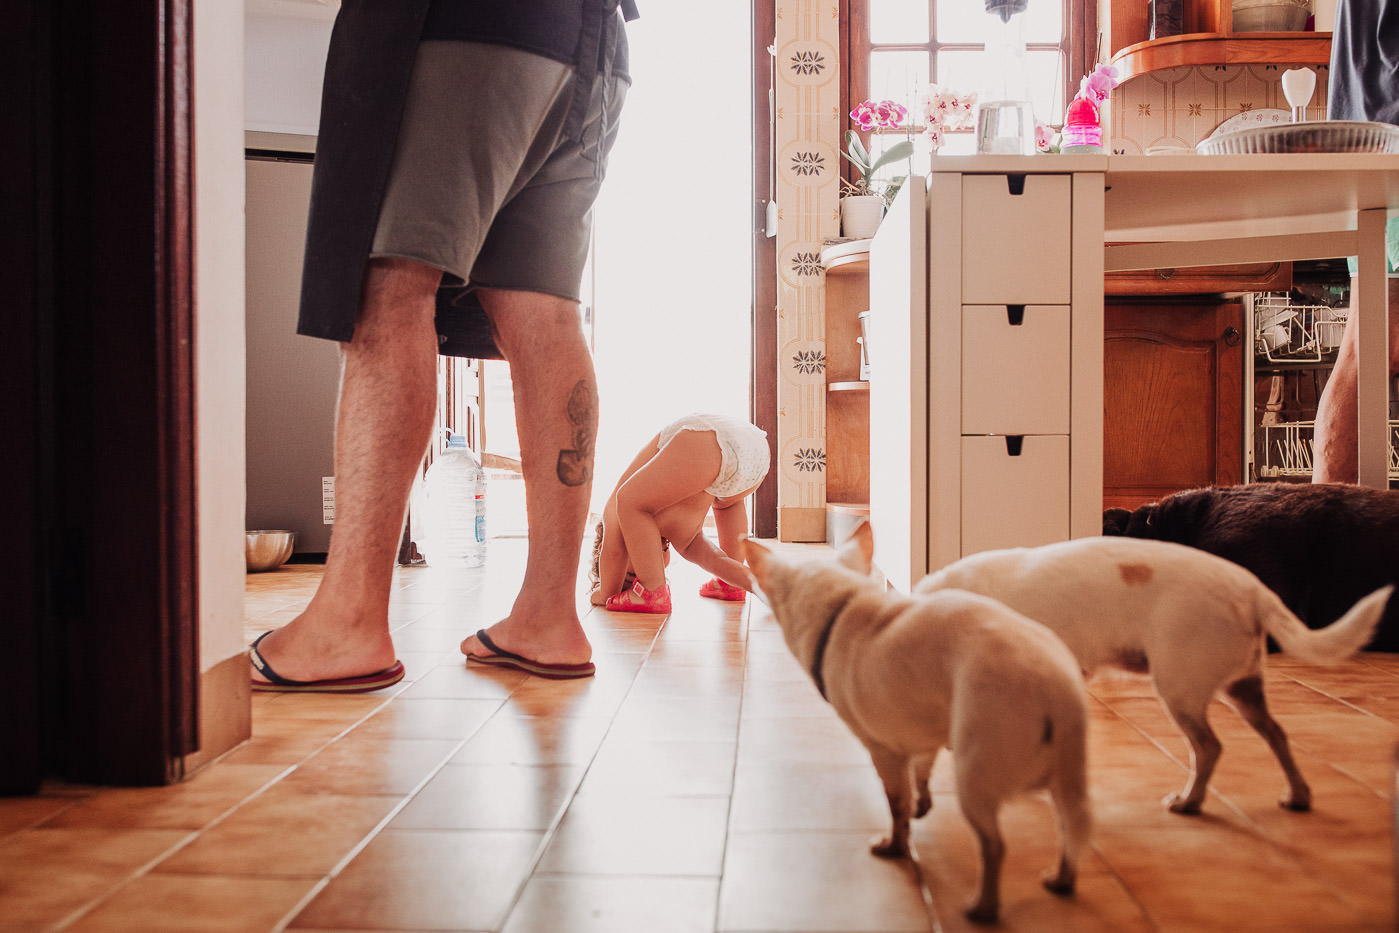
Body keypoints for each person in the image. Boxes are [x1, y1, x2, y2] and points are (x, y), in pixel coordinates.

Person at [248, 0, 640, 691]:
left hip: (463, 23)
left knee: (389, 283)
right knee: (545, 312)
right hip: (591, 42)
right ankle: (548, 616)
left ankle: (347, 621)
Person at [1311, 0, 1399, 484]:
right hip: (1391, 152)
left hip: (1367, 154)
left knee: (1365, 350)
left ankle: (1332, 541)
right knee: (1368, 349)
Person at [582, 414, 771, 614]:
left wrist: (605, 593)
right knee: (725, 508)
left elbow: (614, 552)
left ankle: (652, 591)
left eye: (630, 577)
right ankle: (737, 584)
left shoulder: (615, 515)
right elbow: (716, 560)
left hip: (710, 438)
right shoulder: (683, 537)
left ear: (603, 548)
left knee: (627, 501)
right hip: (754, 455)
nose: (645, 566)